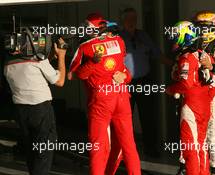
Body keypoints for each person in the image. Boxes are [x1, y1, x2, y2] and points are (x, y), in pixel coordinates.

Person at [68, 13, 141, 175]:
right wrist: (125, 77)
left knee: (98, 147)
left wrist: (93, 63)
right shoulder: (119, 41)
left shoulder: (84, 46)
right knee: (128, 145)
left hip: (101, 99)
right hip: (121, 96)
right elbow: (124, 71)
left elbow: (74, 75)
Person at [176, 11, 215, 175]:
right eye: (200, 27)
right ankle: (185, 165)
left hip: (213, 94)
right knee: (187, 129)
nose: (204, 31)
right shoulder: (191, 43)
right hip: (193, 93)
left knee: (212, 130)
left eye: (207, 28)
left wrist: (211, 66)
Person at [4, 37, 66, 175]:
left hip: (21, 111)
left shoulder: (8, 65)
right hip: (41, 109)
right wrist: (61, 56)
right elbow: (60, 81)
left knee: (31, 149)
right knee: (44, 150)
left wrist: (49, 58)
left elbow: (31, 69)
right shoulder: (40, 61)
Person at [166, 21, 215, 175]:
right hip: (204, 104)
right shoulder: (204, 55)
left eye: (177, 36)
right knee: (202, 146)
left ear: (185, 37)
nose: (174, 40)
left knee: (190, 149)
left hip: (191, 105)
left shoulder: (186, 57)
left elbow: (186, 84)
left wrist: (170, 89)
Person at [120, 7, 172, 157]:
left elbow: (157, 54)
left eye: (134, 19)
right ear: (123, 21)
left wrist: (174, 65)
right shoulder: (118, 38)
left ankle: (150, 148)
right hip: (125, 84)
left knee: (148, 116)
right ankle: (125, 151)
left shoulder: (143, 35)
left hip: (144, 81)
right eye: (129, 19)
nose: (132, 22)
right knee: (124, 118)